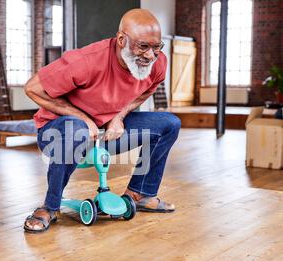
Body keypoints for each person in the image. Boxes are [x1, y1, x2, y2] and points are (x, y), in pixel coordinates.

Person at [24, 8, 181, 233]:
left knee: (169, 124)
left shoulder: (157, 62)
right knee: (77, 129)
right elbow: (33, 88)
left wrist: (119, 116)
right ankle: (50, 206)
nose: (150, 55)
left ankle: (140, 194)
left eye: (156, 47)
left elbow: (146, 90)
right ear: (120, 39)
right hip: (58, 133)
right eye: (143, 46)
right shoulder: (87, 61)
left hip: (104, 133)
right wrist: (83, 118)